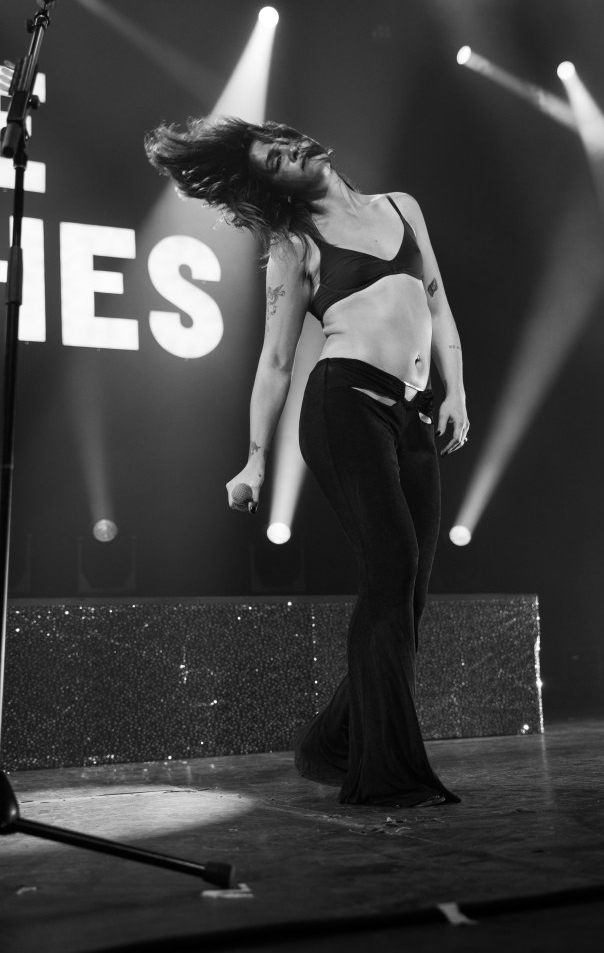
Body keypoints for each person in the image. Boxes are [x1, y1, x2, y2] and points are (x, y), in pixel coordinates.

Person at [145, 117, 469, 807]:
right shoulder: (294, 246)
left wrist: (457, 392)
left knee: (409, 593)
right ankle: (386, 773)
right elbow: (275, 361)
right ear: (278, 188)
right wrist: (254, 460)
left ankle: (332, 740)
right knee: (392, 566)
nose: (290, 150)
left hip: (413, 412)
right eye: (275, 160)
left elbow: (436, 302)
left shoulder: (400, 207)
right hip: (344, 405)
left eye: (282, 140)